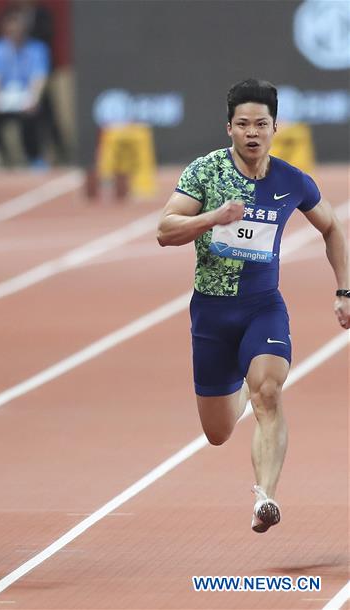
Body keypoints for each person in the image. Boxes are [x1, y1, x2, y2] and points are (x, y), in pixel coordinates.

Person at [157, 79, 349, 533]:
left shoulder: (291, 181)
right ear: (229, 128)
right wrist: (214, 217)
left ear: (274, 127)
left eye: (261, 123)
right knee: (218, 431)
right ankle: (238, 384)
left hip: (263, 307)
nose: (252, 132)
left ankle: (265, 496)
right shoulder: (205, 173)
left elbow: (332, 228)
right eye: (242, 124)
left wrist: (345, 291)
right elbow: (165, 230)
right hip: (211, 313)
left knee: (269, 393)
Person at [0, 7, 50, 169]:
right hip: (4, 97)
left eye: (18, 27)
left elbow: (39, 78)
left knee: (32, 115)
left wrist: (34, 99)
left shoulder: (37, 49)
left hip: (26, 97)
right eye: (11, 28)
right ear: (5, 29)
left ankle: (34, 157)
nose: (15, 32)